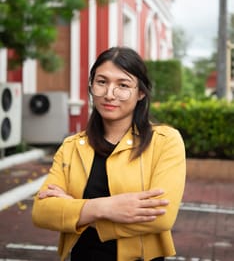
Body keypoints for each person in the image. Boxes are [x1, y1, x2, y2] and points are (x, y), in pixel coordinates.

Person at [32, 46, 186, 261]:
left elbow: (160, 218)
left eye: (123, 85)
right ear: (92, 85)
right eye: (102, 82)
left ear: (140, 92)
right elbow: (42, 211)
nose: (109, 94)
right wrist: (102, 207)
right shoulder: (72, 146)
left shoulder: (165, 142)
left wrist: (76, 211)